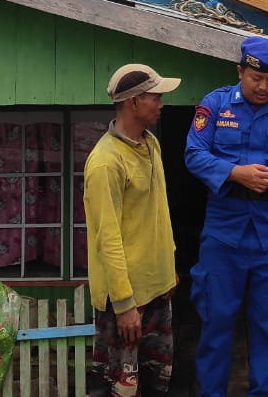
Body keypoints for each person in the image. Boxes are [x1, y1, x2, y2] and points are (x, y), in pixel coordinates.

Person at [185, 36, 268, 397]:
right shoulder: (215, 105)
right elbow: (194, 153)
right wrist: (235, 173)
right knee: (215, 325)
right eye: (256, 78)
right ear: (240, 72)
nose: (263, 87)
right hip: (224, 232)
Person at [84, 63, 182, 397]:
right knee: (121, 388)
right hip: (126, 300)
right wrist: (124, 306)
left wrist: (168, 269)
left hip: (157, 288)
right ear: (134, 102)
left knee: (157, 383)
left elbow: (158, 213)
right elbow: (107, 238)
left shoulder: (150, 144)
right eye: (156, 97)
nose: (161, 104)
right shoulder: (106, 162)